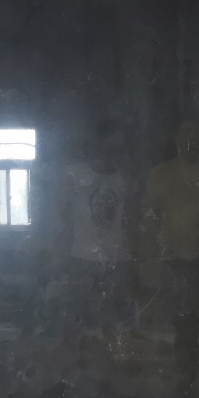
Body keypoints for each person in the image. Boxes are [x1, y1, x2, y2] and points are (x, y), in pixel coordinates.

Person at [144, 121, 199, 398]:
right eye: (187, 135)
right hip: (177, 262)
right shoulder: (162, 174)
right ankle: (186, 385)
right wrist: (154, 252)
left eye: (198, 135)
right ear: (177, 139)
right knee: (184, 330)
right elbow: (151, 214)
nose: (192, 141)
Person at [58, 117, 132, 342]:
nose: (114, 152)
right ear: (99, 143)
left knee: (112, 317)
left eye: (119, 147)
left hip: (114, 260)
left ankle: (108, 358)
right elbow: (61, 218)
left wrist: (128, 258)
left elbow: (130, 221)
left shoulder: (124, 179)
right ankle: (72, 356)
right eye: (111, 145)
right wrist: (60, 255)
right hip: (81, 256)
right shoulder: (74, 175)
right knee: (76, 315)